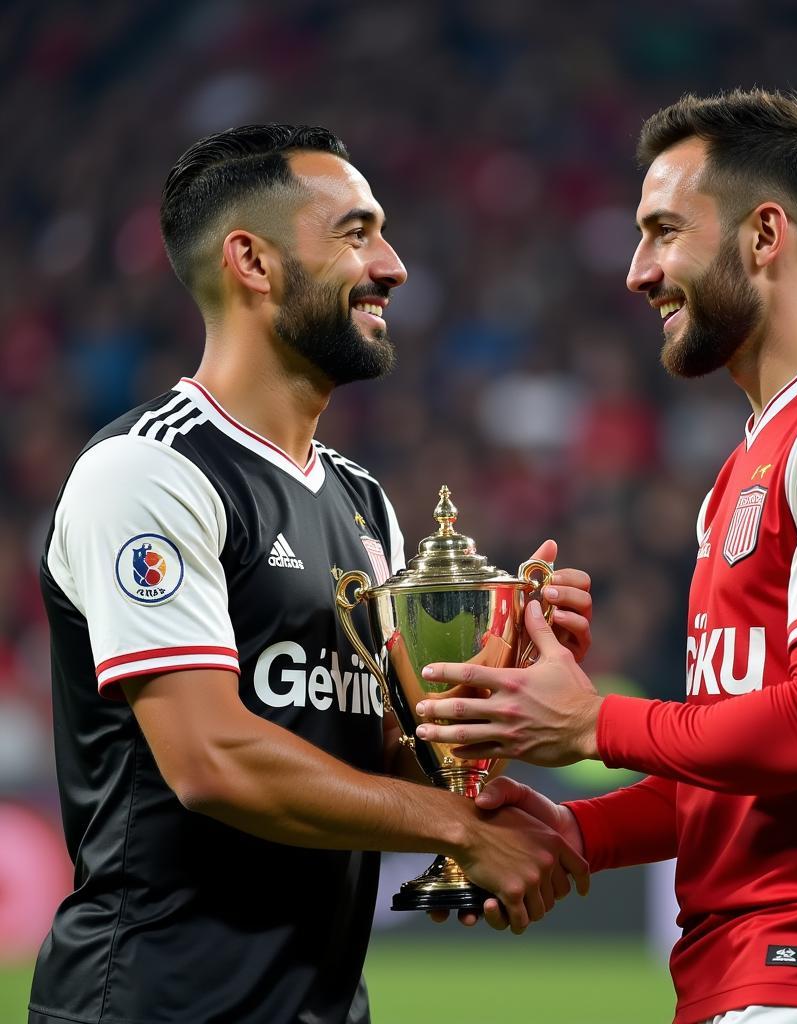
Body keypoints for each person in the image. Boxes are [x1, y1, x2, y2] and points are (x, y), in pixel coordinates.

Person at [415, 90, 797, 1024]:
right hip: (759, 972)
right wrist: (570, 832)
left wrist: (595, 724)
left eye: (664, 231)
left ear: (766, 235)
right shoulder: (748, 466)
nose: (639, 272)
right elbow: (730, 782)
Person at [29, 124, 592, 1024]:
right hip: (152, 1003)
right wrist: (456, 830)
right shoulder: (148, 472)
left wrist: (493, 716)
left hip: (324, 1005)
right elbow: (213, 758)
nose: (395, 265)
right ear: (251, 261)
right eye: (356, 233)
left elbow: (374, 747)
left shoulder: (364, 502)